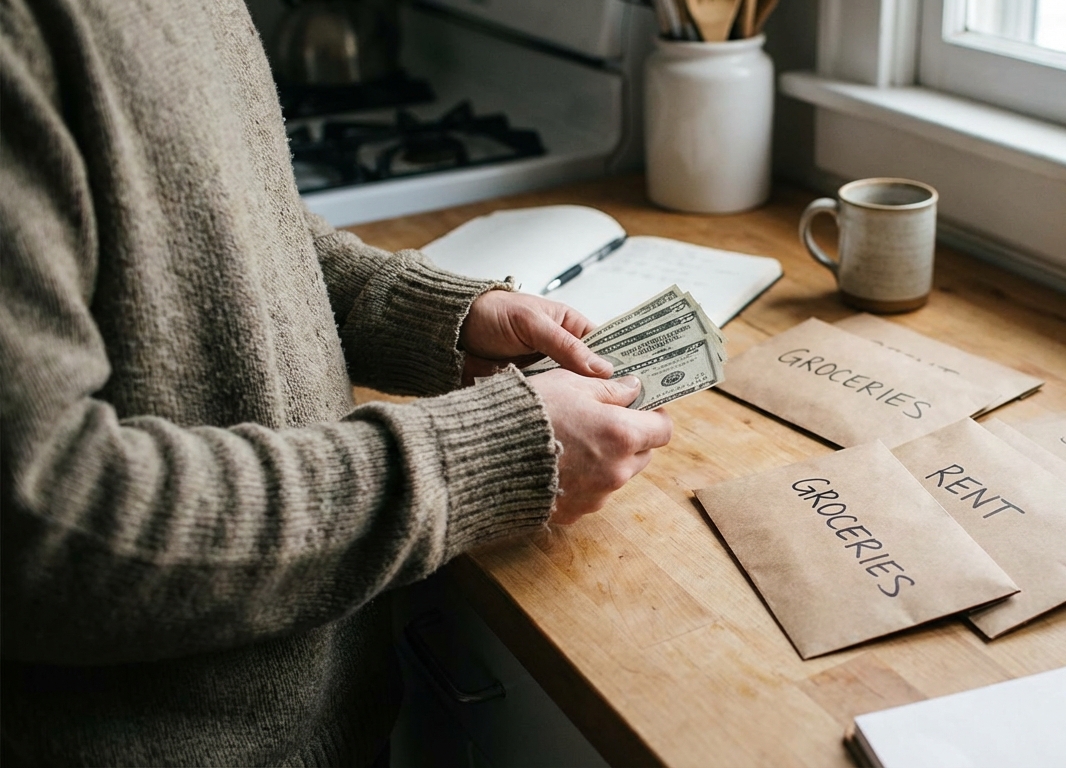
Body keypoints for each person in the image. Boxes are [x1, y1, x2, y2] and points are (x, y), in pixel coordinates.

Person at [0, 0, 673, 764]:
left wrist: (436, 316)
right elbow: (44, 524)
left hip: (316, 716)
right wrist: (478, 462)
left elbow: (230, 216)